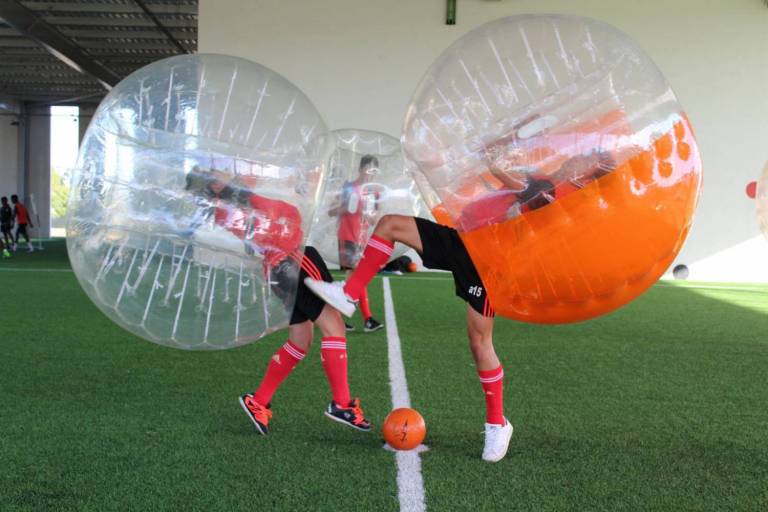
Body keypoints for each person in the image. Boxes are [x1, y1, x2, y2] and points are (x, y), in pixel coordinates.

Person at [305, 137, 614, 462]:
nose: (575, 157)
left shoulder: (568, 201)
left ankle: (498, 423)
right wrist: (497, 148)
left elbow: (532, 214)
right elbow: (503, 177)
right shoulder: (546, 182)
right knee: (390, 225)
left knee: (480, 343)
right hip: (466, 241)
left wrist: (507, 172)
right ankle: (350, 293)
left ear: (592, 171)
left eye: (587, 156)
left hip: (490, 264)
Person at [185, 167, 371, 435]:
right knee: (334, 327)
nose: (223, 170)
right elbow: (288, 213)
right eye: (216, 172)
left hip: (277, 271)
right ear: (213, 185)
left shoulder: (224, 209)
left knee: (300, 340)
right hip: (294, 262)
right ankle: (341, 404)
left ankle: (258, 401)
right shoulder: (242, 201)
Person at [327, 155, 384, 333]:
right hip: (346, 236)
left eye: (373, 171)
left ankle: (337, 317)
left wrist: (366, 213)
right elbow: (331, 211)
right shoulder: (348, 187)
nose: (370, 174)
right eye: (367, 170)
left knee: (354, 278)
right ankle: (367, 319)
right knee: (358, 277)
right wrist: (348, 208)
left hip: (361, 240)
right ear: (360, 169)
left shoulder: (374, 193)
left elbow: (374, 220)